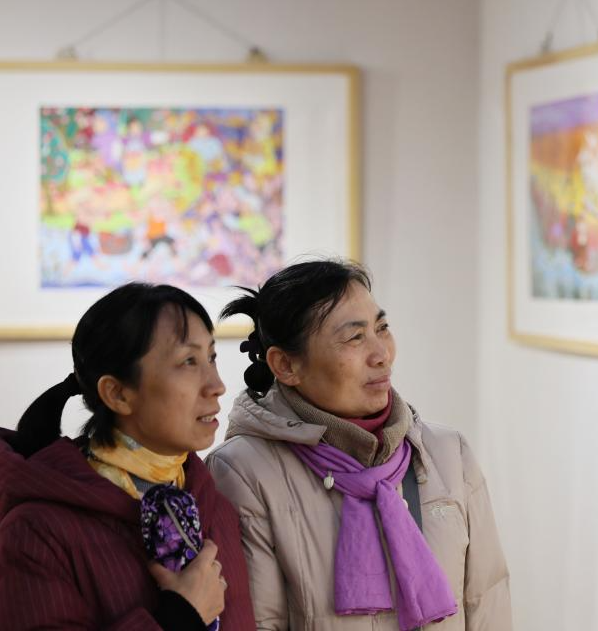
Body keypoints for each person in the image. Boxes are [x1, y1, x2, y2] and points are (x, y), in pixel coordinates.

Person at [207, 260, 512, 630]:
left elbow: (487, 604)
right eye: (354, 338)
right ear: (285, 365)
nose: (381, 354)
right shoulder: (244, 472)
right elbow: (259, 622)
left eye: (381, 328)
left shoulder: (448, 453)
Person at [0, 283, 255, 630]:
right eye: (188, 361)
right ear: (117, 394)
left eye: (211, 358)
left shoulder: (214, 507)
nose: (216, 385)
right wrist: (178, 618)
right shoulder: (37, 531)